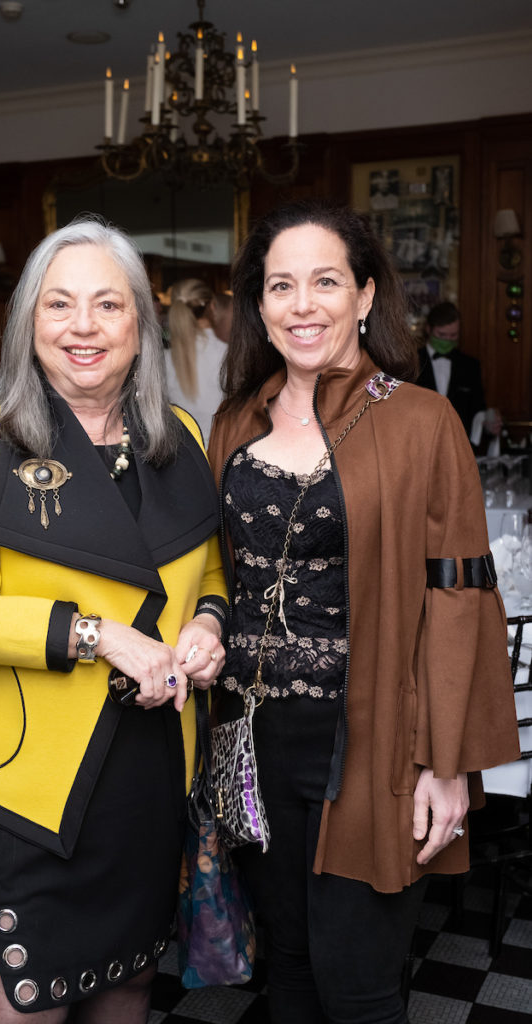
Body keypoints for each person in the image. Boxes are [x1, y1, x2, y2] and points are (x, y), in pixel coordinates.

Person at [206, 200, 520, 1024]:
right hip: (249, 749)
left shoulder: (421, 421)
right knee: (291, 974)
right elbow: (209, 571)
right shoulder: (234, 421)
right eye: (280, 285)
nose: (301, 304)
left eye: (324, 281)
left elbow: (460, 601)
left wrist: (447, 764)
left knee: (361, 988)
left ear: (365, 295)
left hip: (373, 746)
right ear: (259, 305)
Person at [0, 216, 227, 1024]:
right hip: (32, 780)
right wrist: (102, 637)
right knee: (29, 1004)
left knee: (127, 986)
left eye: (107, 305)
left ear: (140, 325)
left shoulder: (181, 436)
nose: (83, 327)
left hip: (152, 769)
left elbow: (214, 572)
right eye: (58, 305)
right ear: (29, 322)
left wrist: (206, 626)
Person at [416, 301, 502, 446]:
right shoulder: (410, 363)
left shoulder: (470, 366)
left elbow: (477, 410)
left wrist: (489, 424)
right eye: (441, 335)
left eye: (453, 335)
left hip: (459, 447)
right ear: (428, 329)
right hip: (419, 445)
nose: (447, 340)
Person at [164, 278, 226, 442]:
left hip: (180, 456)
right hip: (220, 454)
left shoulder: (163, 360)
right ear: (212, 306)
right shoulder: (229, 355)